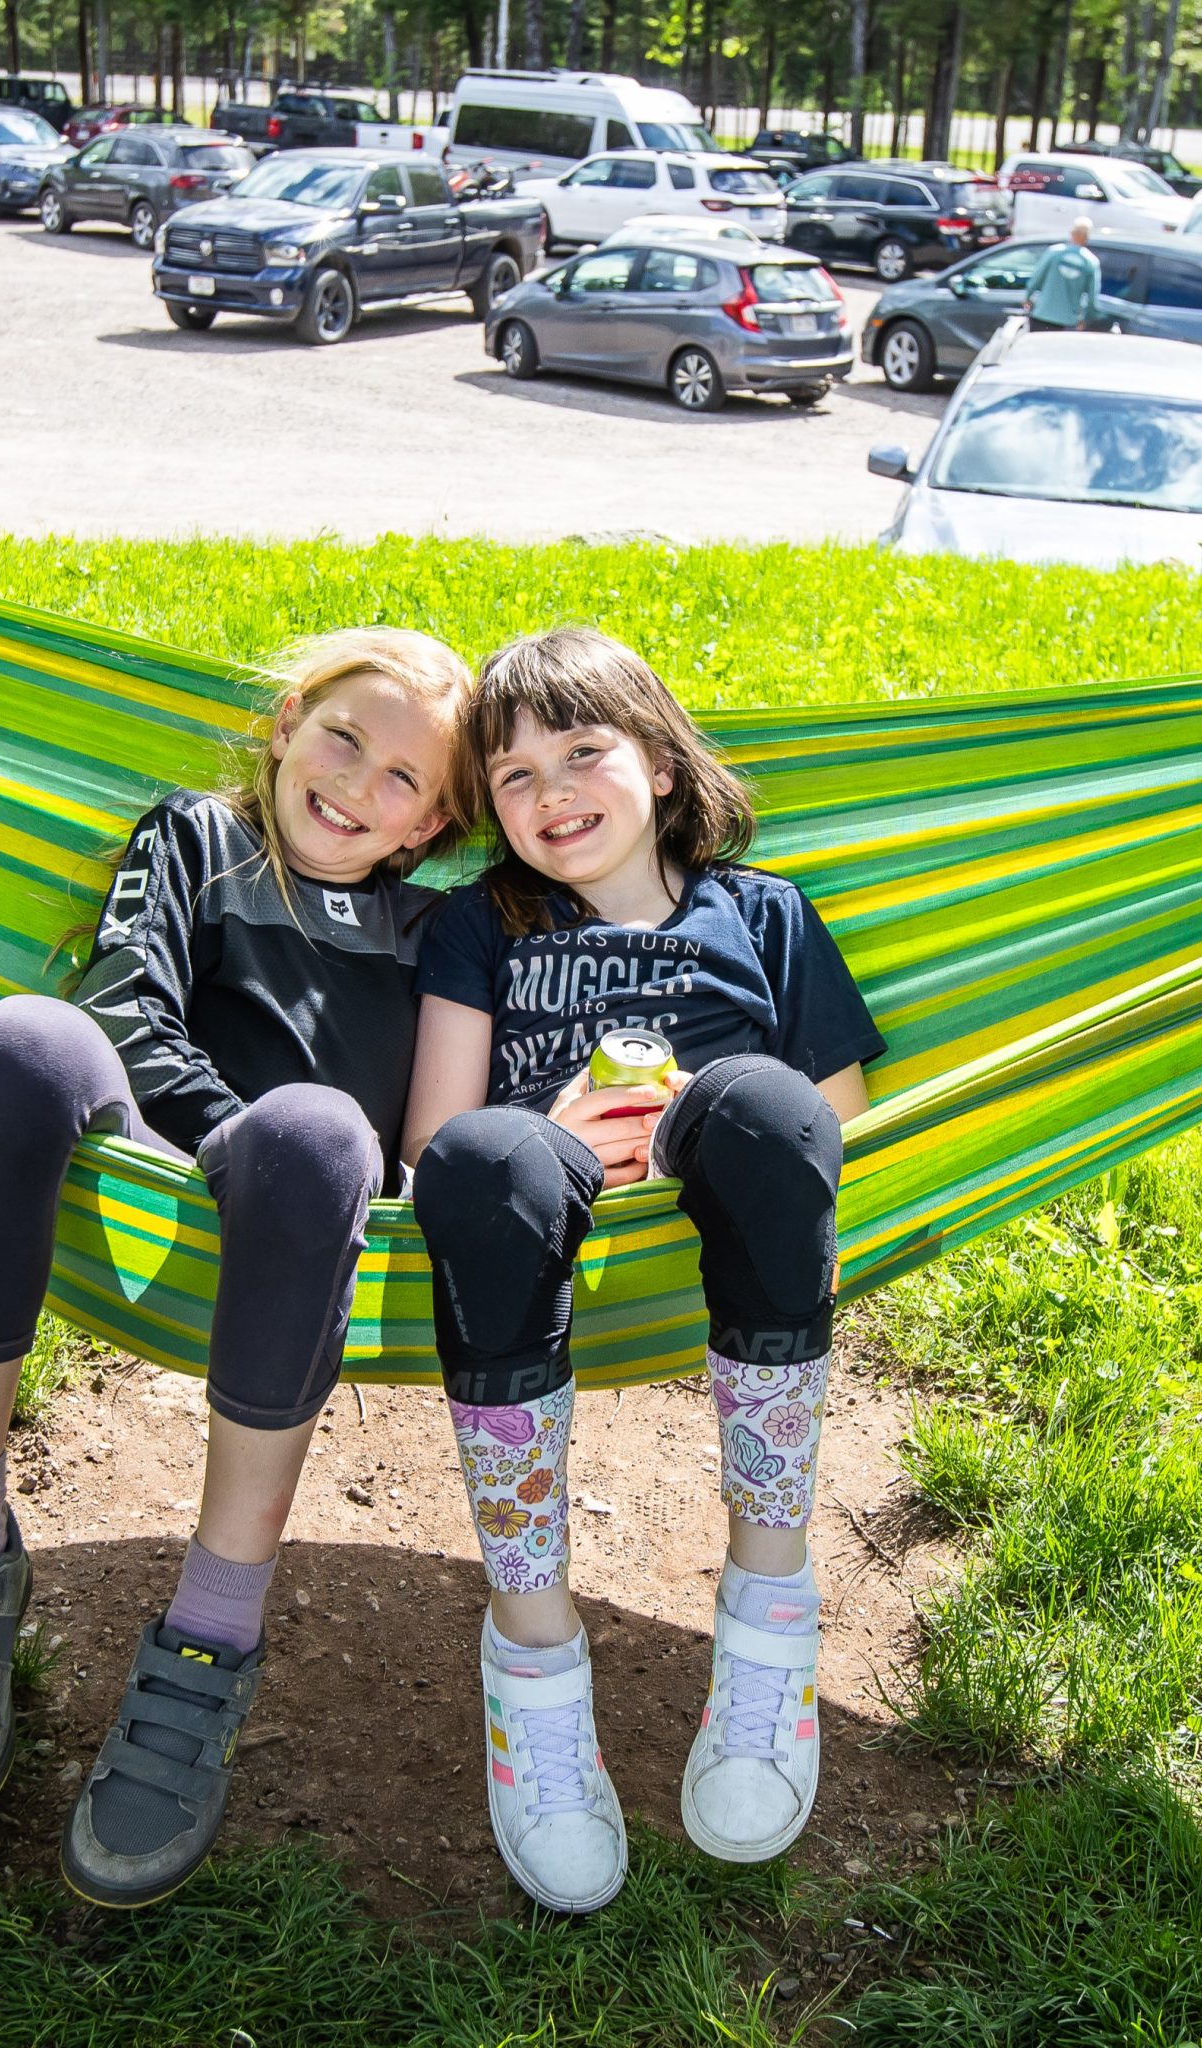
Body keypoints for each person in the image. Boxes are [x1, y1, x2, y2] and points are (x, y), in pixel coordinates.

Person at [0, 628, 472, 1909]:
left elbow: (442, 1114)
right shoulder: (197, 838)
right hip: (154, 1152)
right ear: (284, 726)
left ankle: (212, 1628)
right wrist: (210, 1149)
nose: (356, 783)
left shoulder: (439, 934)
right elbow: (126, 1003)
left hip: (314, 1198)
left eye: (401, 780)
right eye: (342, 737)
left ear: (428, 828)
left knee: (313, 1129)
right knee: (23, 1040)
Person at [402, 629, 883, 1915]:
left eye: (581, 751)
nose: (550, 792)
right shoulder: (477, 924)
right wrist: (563, 1116)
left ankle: (768, 1611)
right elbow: (429, 1140)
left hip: (716, 1174)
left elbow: (830, 1119)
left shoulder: (760, 911)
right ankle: (533, 1654)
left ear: (662, 765)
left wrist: (677, 1109)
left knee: (761, 1106)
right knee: (485, 1157)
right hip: (539, 1183)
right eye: (511, 776)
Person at [1024, 216, 1102, 332]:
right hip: (1068, 321)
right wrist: (1085, 318)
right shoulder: (1090, 262)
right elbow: (1092, 298)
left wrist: (1028, 297)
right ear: (1087, 237)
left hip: (1042, 315)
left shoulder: (1054, 252)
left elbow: (1036, 279)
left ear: (1071, 233)